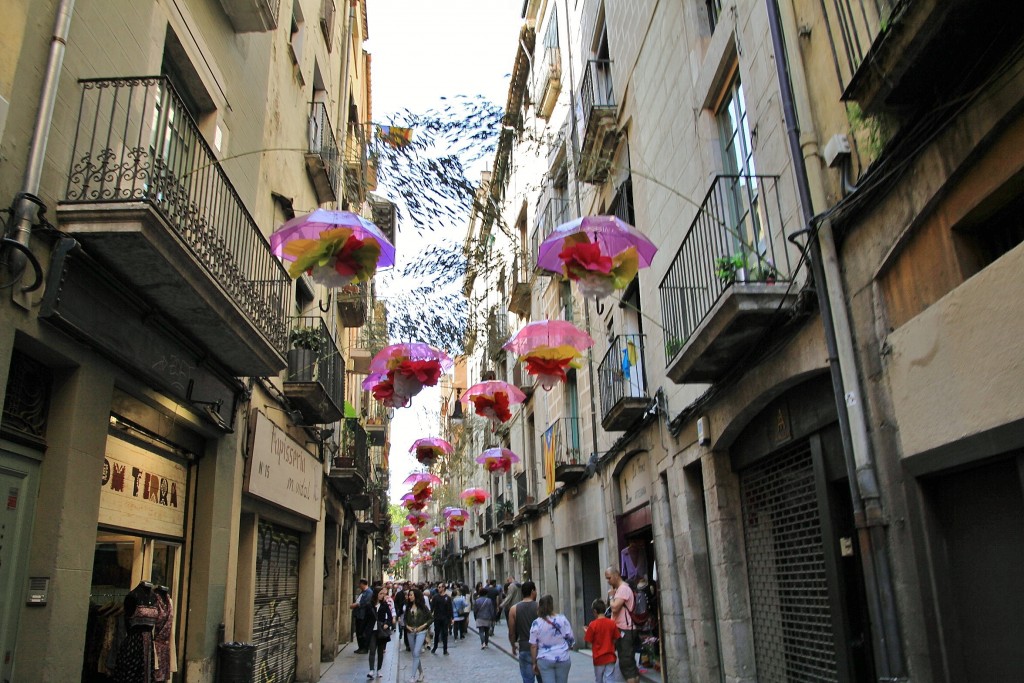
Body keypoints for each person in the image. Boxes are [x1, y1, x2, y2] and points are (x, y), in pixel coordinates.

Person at [529, 594, 575, 683]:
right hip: (562, 657)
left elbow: (533, 646)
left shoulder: (536, 623)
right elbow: (571, 638)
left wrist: (534, 662)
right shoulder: (562, 619)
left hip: (544, 658)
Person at [605, 567, 639, 683]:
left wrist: (611, 596)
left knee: (626, 663)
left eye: (609, 578)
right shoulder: (621, 588)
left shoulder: (623, 589)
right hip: (624, 629)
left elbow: (614, 608)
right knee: (630, 663)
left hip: (626, 629)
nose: (608, 581)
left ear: (616, 575)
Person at [507, 580, 539, 683]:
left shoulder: (513, 609)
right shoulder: (539, 607)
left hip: (524, 648)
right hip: (540, 649)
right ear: (532, 591)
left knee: (527, 680)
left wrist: (513, 645)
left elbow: (511, 632)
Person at [584, 599, 619, 683]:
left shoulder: (593, 625)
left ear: (595, 611)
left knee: (599, 679)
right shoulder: (612, 623)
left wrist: (587, 631)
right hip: (610, 656)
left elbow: (589, 641)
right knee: (610, 677)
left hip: (598, 657)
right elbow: (616, 638)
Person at [403, 588, 432, 683]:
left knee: (416, 653)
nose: (409, 597)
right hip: (410, 632)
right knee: (414, 654)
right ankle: (421, 673)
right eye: (409, 595)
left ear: (416, 596)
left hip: (421, 632)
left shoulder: (423, 607)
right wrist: (407, 626)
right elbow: (404, 620)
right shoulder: (407, 607)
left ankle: (412, 676)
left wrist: (423, 626)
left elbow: (431, 619)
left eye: (411, 595)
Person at [365, 587, 395, 679]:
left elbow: (389, 617)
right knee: (372, 650)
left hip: (381, 631)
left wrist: (387, 624)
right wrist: (364, 631)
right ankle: (371, 670)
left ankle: (379, 670)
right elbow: (366, 619)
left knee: (380, 651)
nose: (382, 596)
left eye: (383, 594)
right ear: (376, 594)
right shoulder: (369, 605)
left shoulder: (385, 605)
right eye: (381, 594)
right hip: (372, 631)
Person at [350, 578, 374, 654]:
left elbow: (366, 603)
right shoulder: (363, 592)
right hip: (359, 615)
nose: (359, 586)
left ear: (363, 584)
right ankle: (360, 647)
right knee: (359, 631)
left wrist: (356, 604)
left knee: (362, 631)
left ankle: (364, 647)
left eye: (360, 584)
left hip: (363, 615)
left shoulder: (369, 592)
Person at [429, 582, 453, 655]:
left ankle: (445, 649)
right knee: (437, 633)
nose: (438, 588)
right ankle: (435, 647)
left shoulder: (447, 598)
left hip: (445, 618)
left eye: (439, 587)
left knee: (445, 634)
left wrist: (452, 618)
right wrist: (430, 615)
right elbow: (432, 608)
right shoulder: (435, 597)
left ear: (443, 588)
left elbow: (450, 609)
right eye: (438, 587)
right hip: (437, 618)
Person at [473, 585, 496, 649]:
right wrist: (493, 618)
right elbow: (491, 610)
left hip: (479, 617)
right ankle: (486, 643)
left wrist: (475, 617)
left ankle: (482, 643)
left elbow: (475, 610)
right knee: (486, 631)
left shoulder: (477, 601)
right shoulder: (489, 600)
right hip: (487, 618)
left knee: (481, 631)